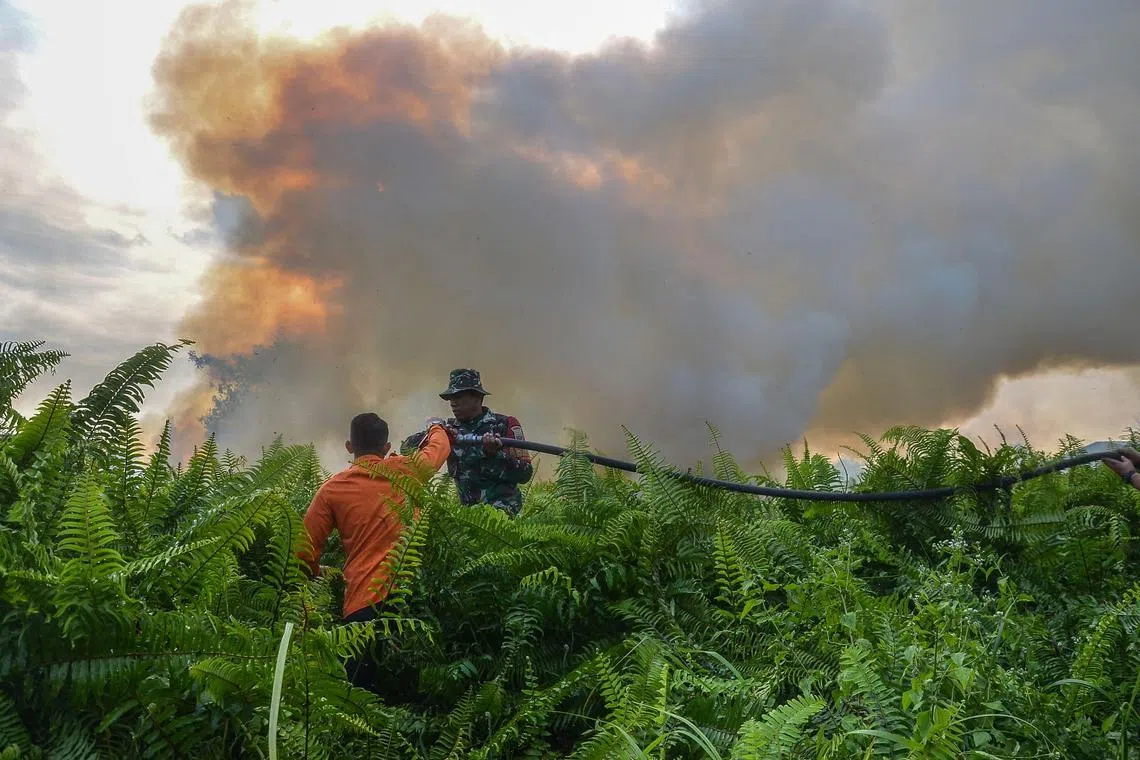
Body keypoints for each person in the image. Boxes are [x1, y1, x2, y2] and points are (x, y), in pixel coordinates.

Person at [298, 412, 451, 691]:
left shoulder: (332, 490)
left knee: (360, 699)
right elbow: (439, 450)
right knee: (410, 702)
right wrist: (436, 426)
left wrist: (318, 573)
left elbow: (302, 551)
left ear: (349, 447)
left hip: (360, 608)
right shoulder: (408, 470)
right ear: (386, 448)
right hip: (412, 604)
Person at [401, 368, 534, 517]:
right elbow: (406, 448)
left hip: (505, 518)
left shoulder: (504, 425)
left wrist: (494, 454)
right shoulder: (448, 430)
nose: (453, 403)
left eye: (458, 397)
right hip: (468, 519)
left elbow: (525, 473)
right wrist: (436, 430)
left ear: (477, 398)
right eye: (451, 398)